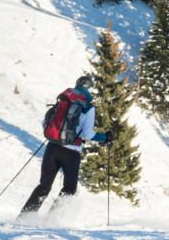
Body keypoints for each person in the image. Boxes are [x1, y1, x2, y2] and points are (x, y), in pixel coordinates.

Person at [20, 75, 112, 214]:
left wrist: (57, 133)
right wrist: (105, 137)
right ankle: (52, 220)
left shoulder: (63, 100)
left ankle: (25, 216)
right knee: (69, 189)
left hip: (52, 147)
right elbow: (88, 134)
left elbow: (45, 123)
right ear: (89, 88)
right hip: (71, 152)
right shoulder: (88, 107)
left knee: (44, 186)